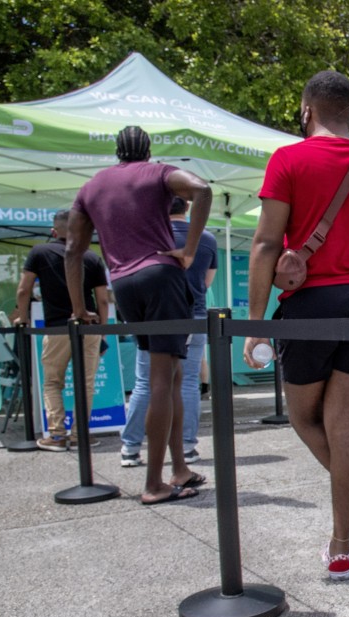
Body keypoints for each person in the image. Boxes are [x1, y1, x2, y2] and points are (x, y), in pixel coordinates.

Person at [244, 71, 349, 580]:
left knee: (304, 420)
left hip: (309, 304)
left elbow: (268, 244)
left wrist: (255, 325)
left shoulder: (288, 160)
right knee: (344, 425)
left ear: (307, 109)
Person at [65, 125, 212, 505]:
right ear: (147, 150)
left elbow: (72, 251)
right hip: (161, 277)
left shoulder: (92, 187)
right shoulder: (158, 172)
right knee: (164, 379)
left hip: (125, 284)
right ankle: (154, 483)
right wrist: (190, 250)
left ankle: (178, 468)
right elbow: (202, 189)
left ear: (117, 151)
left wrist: (79, 308)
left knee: (173, 375)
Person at [120, 197, 218, 466]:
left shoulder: (149, 237)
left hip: (154, 317)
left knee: (145, 382)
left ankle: (130, 447)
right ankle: (187, 446)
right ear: (187, 208)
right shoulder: (207, 239)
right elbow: (206, 282)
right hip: (194, 314)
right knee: (187, 382)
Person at [11, 210, 109, 451]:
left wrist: (22, 318)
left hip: (56, 327)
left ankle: (56, 435)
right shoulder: (92, 257)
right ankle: (80, 436)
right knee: (85, 383)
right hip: (89, 327)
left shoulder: (39, 252)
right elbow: (103, 300)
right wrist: (103, 330)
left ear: (54, 231)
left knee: (53, 382)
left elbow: (24, 290)